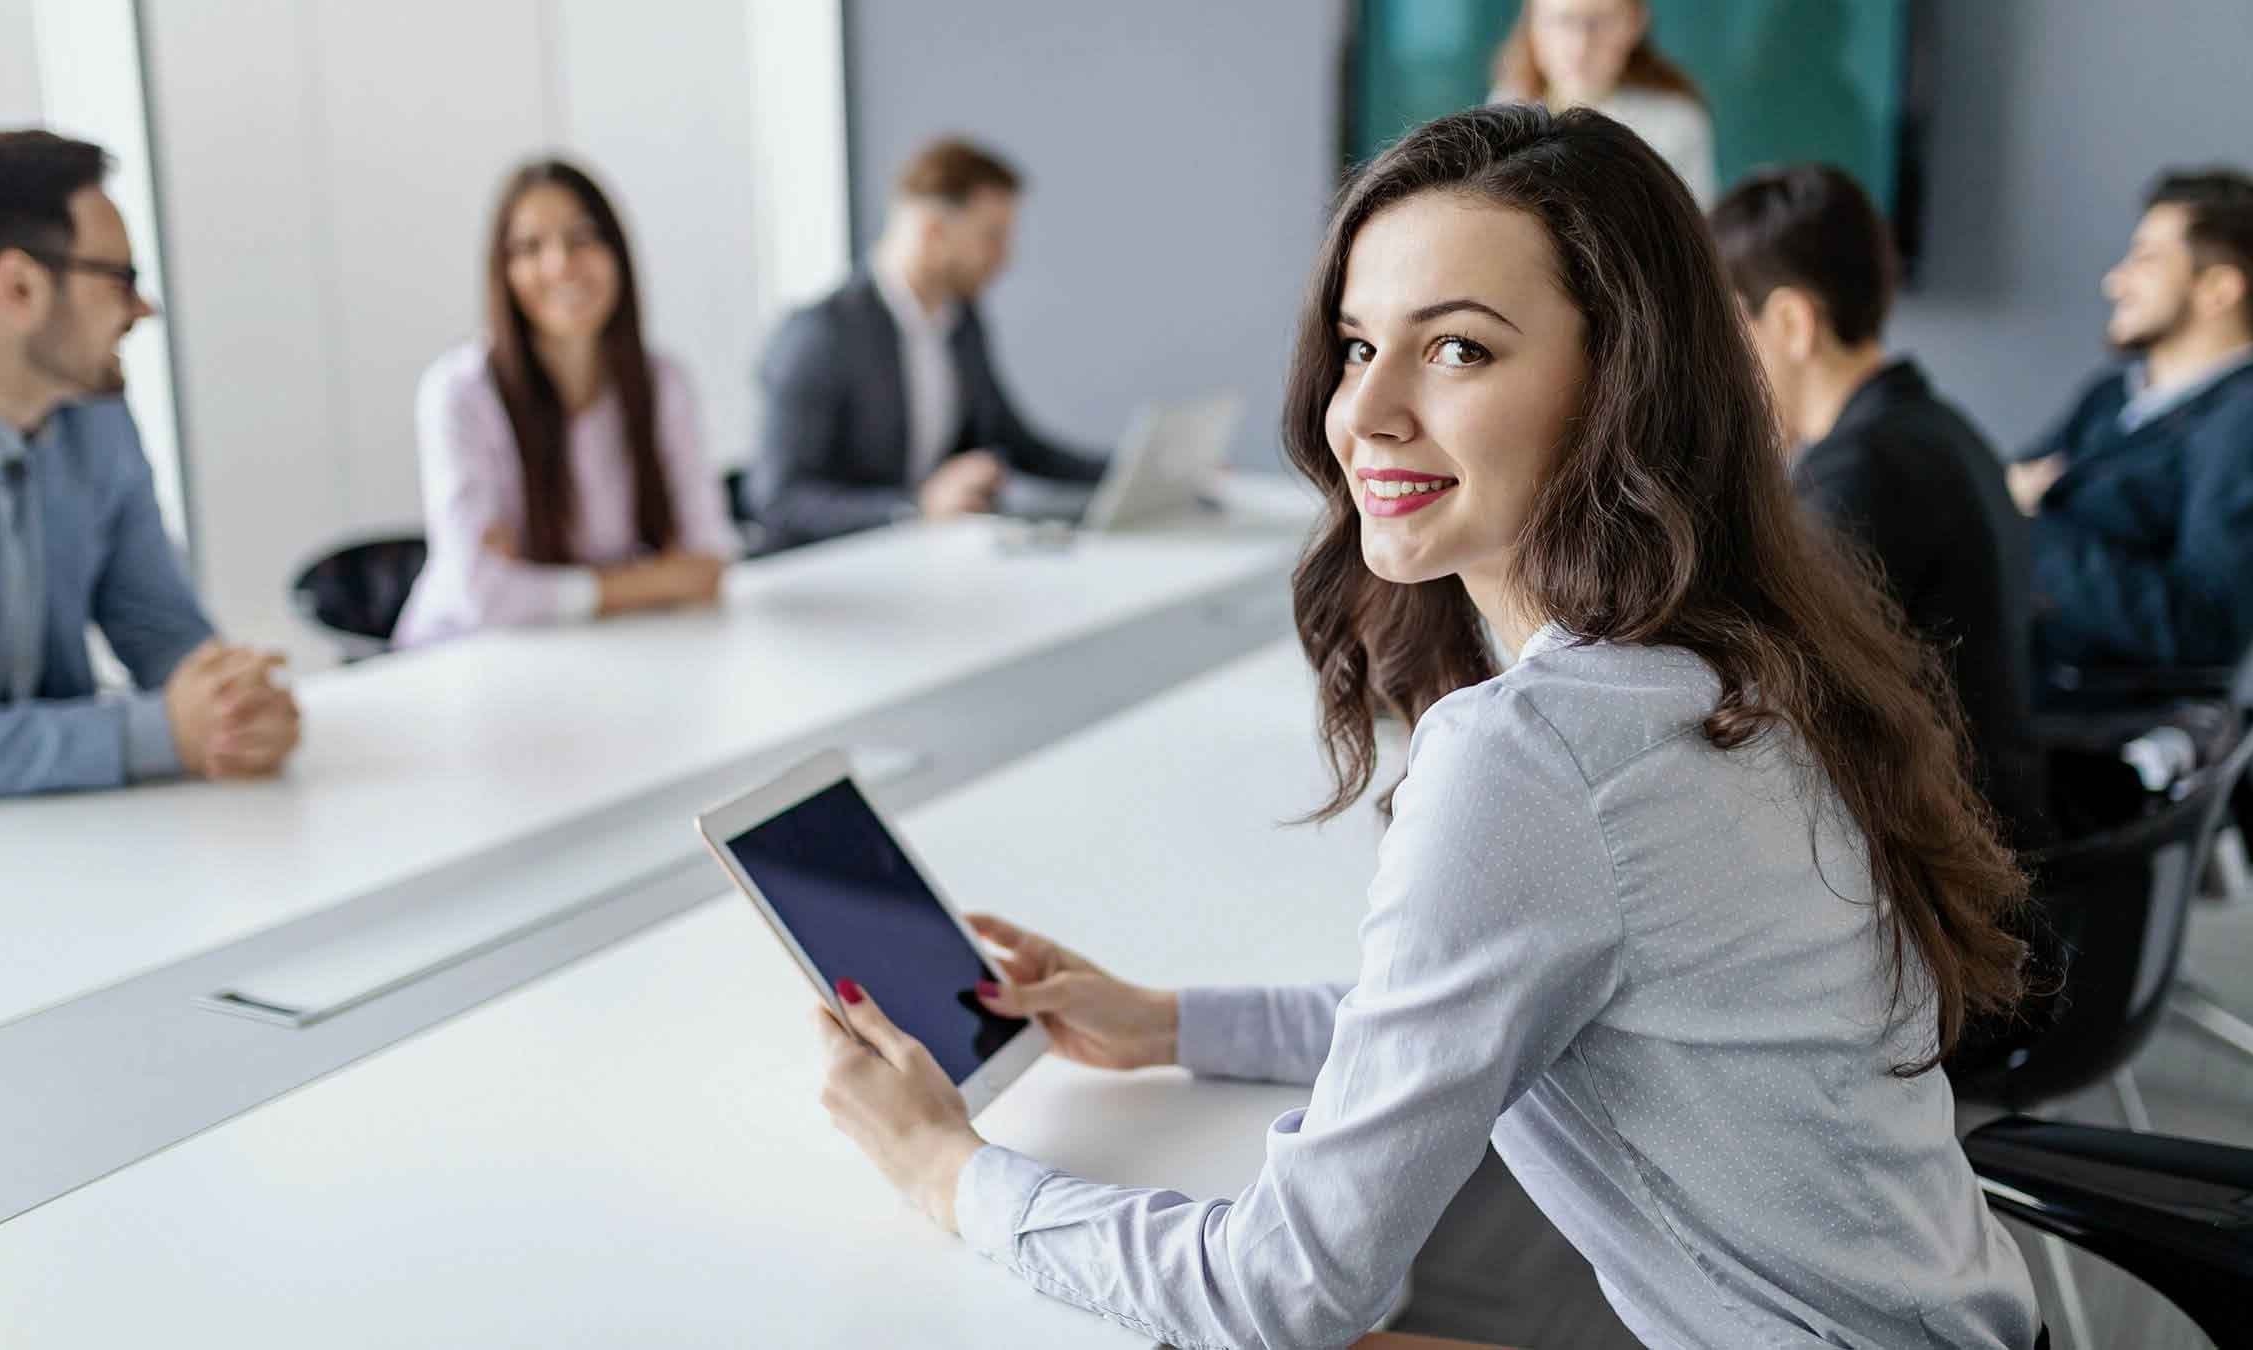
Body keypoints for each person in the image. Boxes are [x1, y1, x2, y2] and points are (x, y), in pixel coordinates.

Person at [806, 107, 2042, 1349]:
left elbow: (1280, 1294)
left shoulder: (1544, 752)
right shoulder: (1741, 652)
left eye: (1457, 350)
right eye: (1355, 347)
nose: (1367, 413)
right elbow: (1472, 1006)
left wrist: (948, 1172)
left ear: (1624, 379)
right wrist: (1170, 1022)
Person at [1712, 163, 2044, 845]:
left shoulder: (1861, 475)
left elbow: (1783, 698)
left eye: (1724, 333)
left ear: (1792, 321)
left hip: (1941, 860)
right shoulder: (1934, 426)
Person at [0, 129, 298, 797]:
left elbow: (161, 629)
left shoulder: (96, 419)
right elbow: (162, 727)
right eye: (119, 279)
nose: (143, 308)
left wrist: (233, 706)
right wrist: (155, 735)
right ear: (18, 289)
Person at [393, 159, 733, 647]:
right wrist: (652, 578)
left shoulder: (664, 384)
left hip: (602, 650)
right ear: (503, 271)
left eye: (581, 239)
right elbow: (482, 596)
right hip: (463, 659)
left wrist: (539, 587)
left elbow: (708, 565)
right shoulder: (460, 392)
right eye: (530, 248)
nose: (560, 265)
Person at [2010, 168, 2253, 672]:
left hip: (2070, 707)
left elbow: (2199, 629)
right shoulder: (2111, 394)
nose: (2114, 281)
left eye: (2146, 259)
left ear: (2219, 289)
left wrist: (2024, 526)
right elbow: (2003, 489)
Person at [747, 138, 1103, 548]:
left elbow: (1015, 442)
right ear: (933, 231)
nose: (1005, 257)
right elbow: (777, 499)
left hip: (925, 562)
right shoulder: (820, 335)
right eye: (991, 236)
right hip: (834, 574)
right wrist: (914, 508)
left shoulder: (962, 323)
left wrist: (1129, 472)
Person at [1491, 0, 1716, 206]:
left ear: (1635, 23)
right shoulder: (1505, 108)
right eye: (1563, 21)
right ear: (1533, 22)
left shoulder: (1675, 122)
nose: (1581, 44)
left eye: (1602, 22)